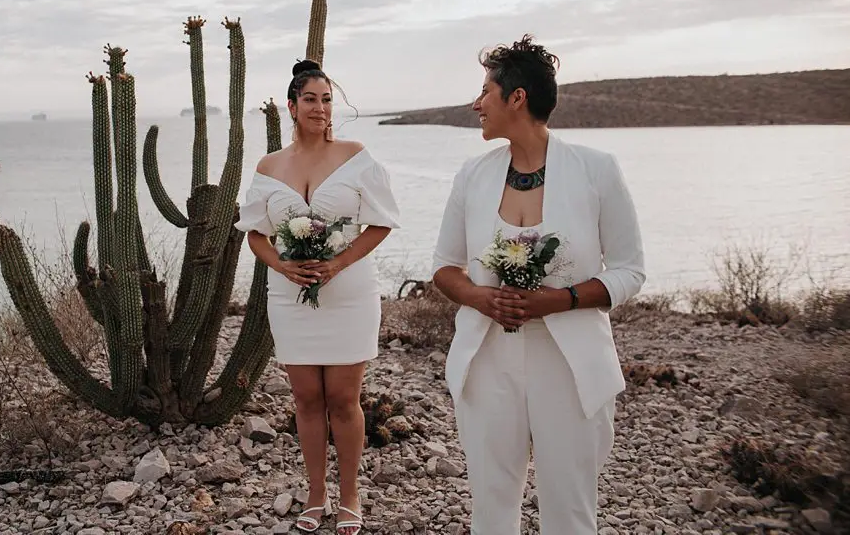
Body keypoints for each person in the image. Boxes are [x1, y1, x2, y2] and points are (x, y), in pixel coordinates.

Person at [431, 35, 645, 535]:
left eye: (485, 91)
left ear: (517, 98)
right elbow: (444, 266)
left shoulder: (597, 170)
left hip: (569, 363)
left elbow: (629, 270)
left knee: (570, 508)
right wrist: (480, 297)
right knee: (490, 504)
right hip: (488, 358)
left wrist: (559, 300)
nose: (477, 103)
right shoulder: (472, 175)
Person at [236, 59, 400, 535]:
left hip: (350, 294)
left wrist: (338, 263)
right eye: (310, 99)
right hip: (289, 298)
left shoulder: (356, 156)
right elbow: (255, 234)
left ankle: (349, 495)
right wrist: (282, 265)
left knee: (345, 399)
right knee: (306, 399)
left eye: (327, 100)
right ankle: (315, 494)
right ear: (292, 106)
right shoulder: (269, 166)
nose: (320, 108)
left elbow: (382, 222)